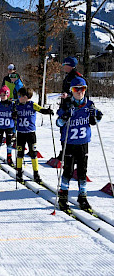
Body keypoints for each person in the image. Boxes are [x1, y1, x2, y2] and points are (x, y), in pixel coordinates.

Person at [56, 76, 102, 214]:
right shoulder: (66, 105)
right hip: (69, 143)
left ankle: (82, 197)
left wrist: (96, 116)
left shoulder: (89, 105)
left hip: (83, 143)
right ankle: (63, 197)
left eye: (82, 89)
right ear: (71, 90)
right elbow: (58, 123)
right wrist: (64, 117)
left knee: (82, 171)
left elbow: (96, 120)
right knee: (68, 171)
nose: (79, 92)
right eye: (76, 89)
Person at [15, 87, 53, 184]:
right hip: (20, 133)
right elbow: (12, 114)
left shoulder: (32, 105)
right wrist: (13, 115)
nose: (18, 97)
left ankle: (36, 173)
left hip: (30, 133)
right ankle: (19, 172)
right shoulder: (17, 105)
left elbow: (41, 109)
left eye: (20, 96)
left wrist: (47, 111)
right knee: (20, 153)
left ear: (25, 97)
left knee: (33, 153)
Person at [0, 85, 16, 167]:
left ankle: (9, 158)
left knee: (9, 143)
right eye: (1, 95)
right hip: (0, 126)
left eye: (4, 95)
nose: (2, 97)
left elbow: (16, 113)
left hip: (9, 126)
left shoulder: (11, 104)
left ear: (7, 95)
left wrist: (15, 114)